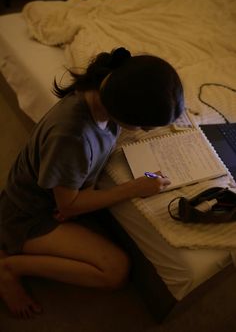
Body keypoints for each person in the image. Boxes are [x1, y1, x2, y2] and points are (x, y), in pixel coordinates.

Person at [0, 47, 184, 318]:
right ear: (123, 110)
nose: (145, 131)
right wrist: (136, 186)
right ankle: (9, 269)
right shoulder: (71, 136)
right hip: (27, 215)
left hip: (55, 200)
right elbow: (70, 206)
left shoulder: (105, 88)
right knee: (115, 271)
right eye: (143, 125)